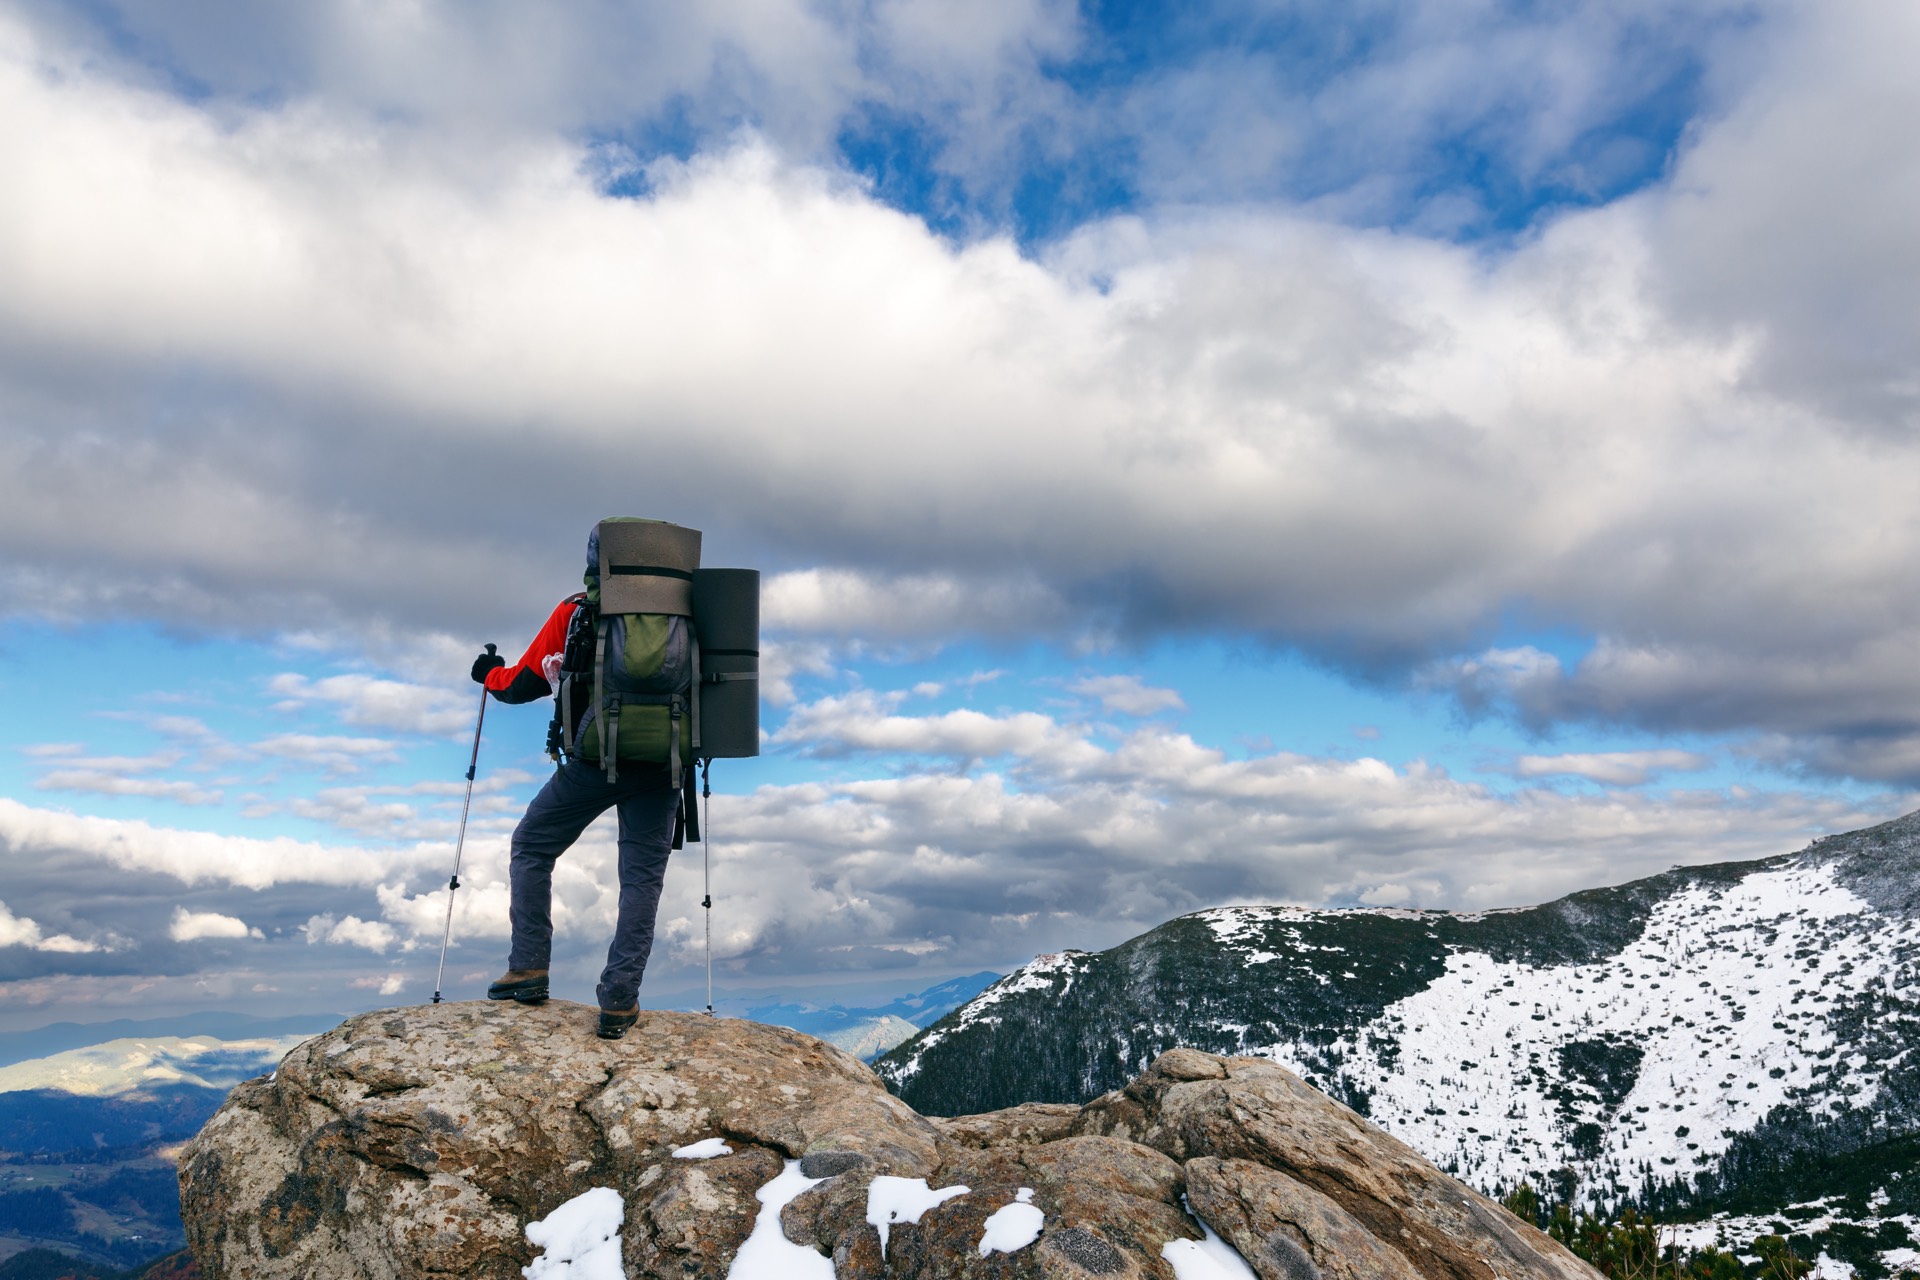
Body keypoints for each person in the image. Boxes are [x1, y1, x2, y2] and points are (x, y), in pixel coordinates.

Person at [470, 527, 685, 1040]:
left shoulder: (577, 610)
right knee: (641, 880)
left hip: (592, 761)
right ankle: (620, 999)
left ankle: (528, 968)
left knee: (532, 845)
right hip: (664, 763)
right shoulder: (693, 615)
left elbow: (523, 683)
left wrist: (488, 674)